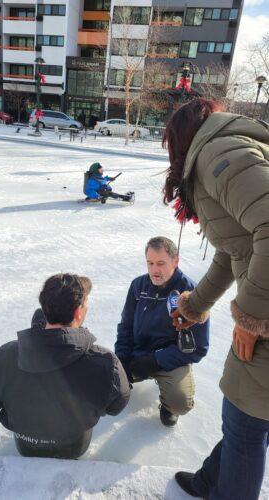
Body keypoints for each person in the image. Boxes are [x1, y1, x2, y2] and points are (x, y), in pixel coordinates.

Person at [161, 98, 269, 499]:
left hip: (266, 313)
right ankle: (212, 484)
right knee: (252, 419)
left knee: (245, 423)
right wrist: (195, 305)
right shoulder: (229, 146)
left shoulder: (218, 153)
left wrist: (251, 319)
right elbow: (234, 248)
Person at [0, 273, 130, 460]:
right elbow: (116, 405)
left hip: (27, 446)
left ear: (45, 308)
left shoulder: (6, 355)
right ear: (78, 312)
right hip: (74, 447)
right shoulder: (106, 362)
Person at [115, 236, 209, 427]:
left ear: (176, 261)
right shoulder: (138, 286)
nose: (154, 270)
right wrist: (122, 359)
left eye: (160, 263)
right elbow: (125, 327)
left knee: (180, 403)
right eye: (150, 263)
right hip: (137, 355)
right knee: (106, 382)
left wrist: (156, 360)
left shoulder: (191, 292)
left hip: (171, 360)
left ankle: (168, 404)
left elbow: (198, 348)